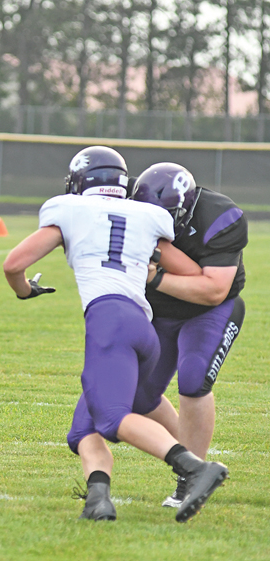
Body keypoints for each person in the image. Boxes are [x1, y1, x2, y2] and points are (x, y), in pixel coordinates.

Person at [2, 145, 229, 523]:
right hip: (145, 328)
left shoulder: (69, 209)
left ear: (80, 181)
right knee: (83, 430)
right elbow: (190, 271)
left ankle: (193, 467)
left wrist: (25, 290)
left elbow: (13, 264)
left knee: (111, 418)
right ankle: (98, 500)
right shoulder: (145, 214)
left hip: (109, 322)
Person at [130, 163, 247, 508]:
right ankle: (194, 462)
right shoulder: (132, 204)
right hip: (158, 312)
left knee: (194, 378)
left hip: (209, 311)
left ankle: (190, 478)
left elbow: (214, 290)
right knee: (139, 394)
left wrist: (154, 278)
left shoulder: (219, 216)